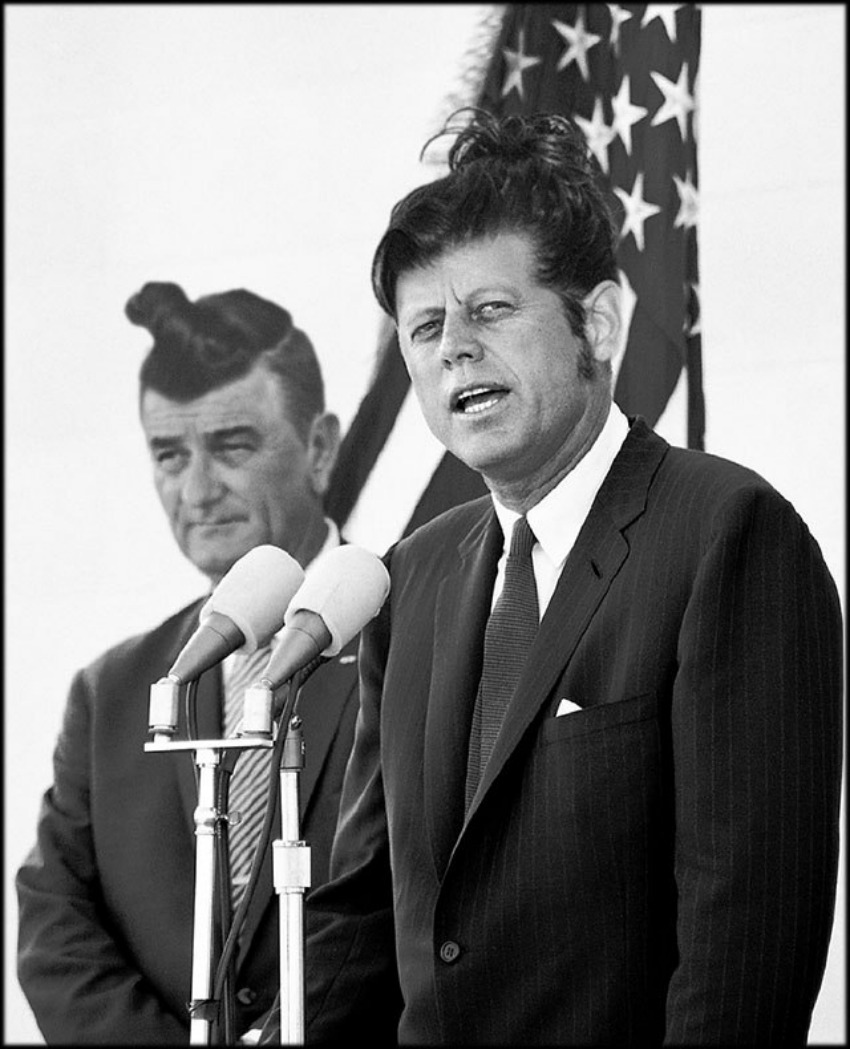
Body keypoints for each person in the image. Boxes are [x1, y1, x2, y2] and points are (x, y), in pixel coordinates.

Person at [264, 110, 843, 1045]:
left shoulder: (729, 536)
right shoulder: (409, 577)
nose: (453, 347)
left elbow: (744, 958)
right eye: (424, 327)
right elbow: (365, 920)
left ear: (598, 323)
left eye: (491, 309)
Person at [16, 282, 360, 1044]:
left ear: (320, 446)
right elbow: (55, 930)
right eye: (169, 455)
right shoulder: (112, 692)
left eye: (232, 445)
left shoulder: (419, 636)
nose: (197, 491)